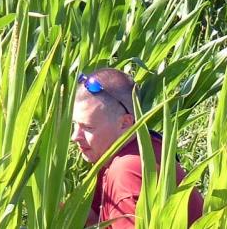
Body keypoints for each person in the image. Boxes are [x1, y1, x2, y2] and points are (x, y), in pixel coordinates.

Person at [71, 68, 203, 228]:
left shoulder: (125, 173)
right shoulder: (146, 142)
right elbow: (98, 220)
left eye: (88, 128)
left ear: (125, 123)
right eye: (75, 125)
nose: (75, 137)